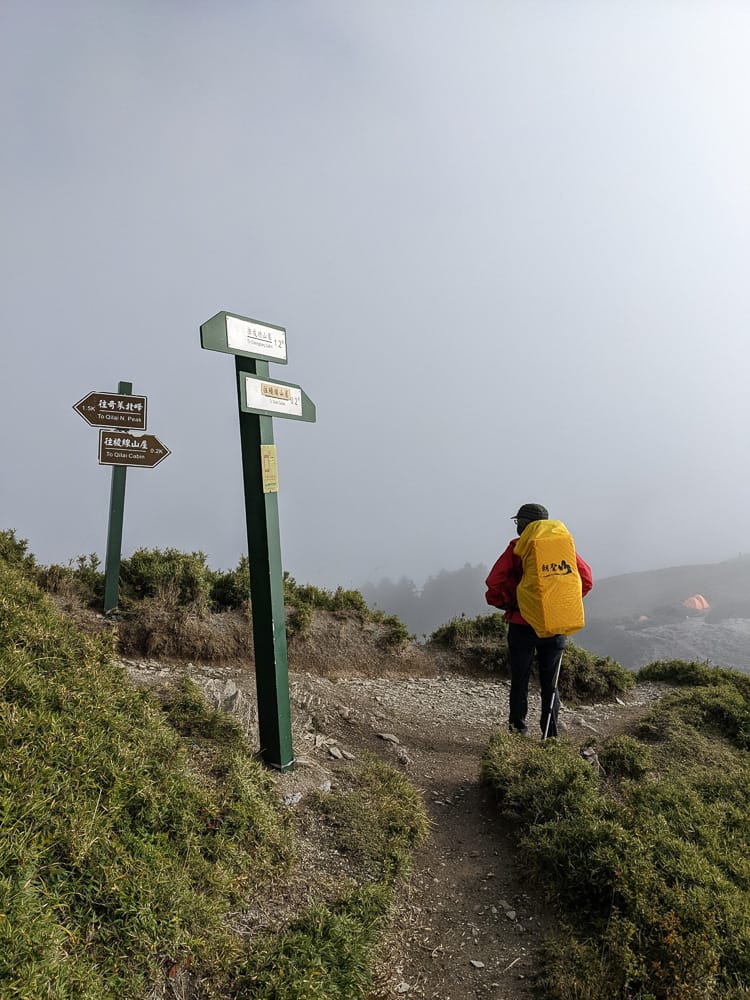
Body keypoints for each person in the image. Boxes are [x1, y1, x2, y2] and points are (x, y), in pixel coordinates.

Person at [485, 503, 593, 738]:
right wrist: (559, 604)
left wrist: (510, 603)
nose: (517, 527)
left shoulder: (517, 548)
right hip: (555, 625)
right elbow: (586, 579)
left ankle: (517, 732)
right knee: (550, 683)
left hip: (522, 625)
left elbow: (494, 582)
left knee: (520, 680)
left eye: (518, 522)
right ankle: (550, 735)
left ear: (524, 524)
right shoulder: (562, 547)